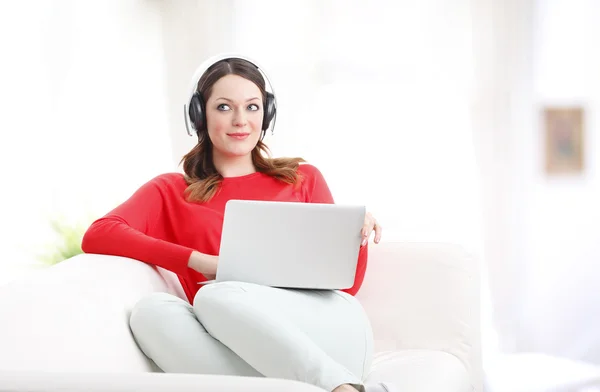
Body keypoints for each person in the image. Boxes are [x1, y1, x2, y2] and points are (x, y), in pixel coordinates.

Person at [81, 55, 393, 392]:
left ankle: (338, 386)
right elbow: (100, 234)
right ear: (199, 115)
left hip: (331, 336)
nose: (241, 121)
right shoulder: (171, 191)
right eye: (224, 107)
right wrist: (198, 262)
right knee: (150, 313)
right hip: (247, 346)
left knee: (215, 296)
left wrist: (353, 236)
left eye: (253, 107)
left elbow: (347, 286)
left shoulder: (302, 179)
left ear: (267, 113)